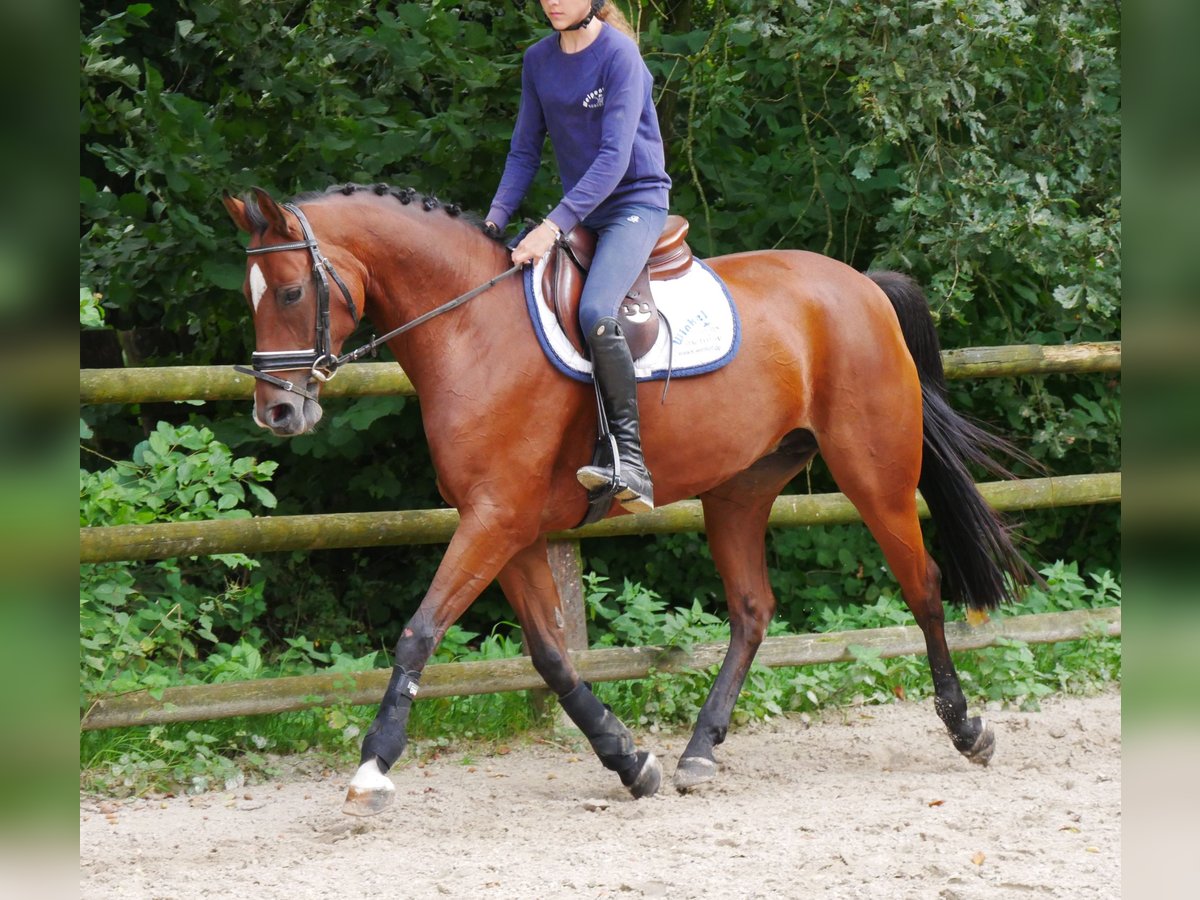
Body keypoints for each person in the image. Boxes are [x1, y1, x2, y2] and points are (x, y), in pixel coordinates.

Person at [485, 0, 671, 514]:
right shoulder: (538, 60)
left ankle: (630, 461)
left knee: (594, 312)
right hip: (582, 211)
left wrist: (551, 225)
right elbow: (524, 151)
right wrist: (494, 221)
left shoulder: (620, 56)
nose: (553, 1)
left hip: (635, 202)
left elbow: (614, 160)